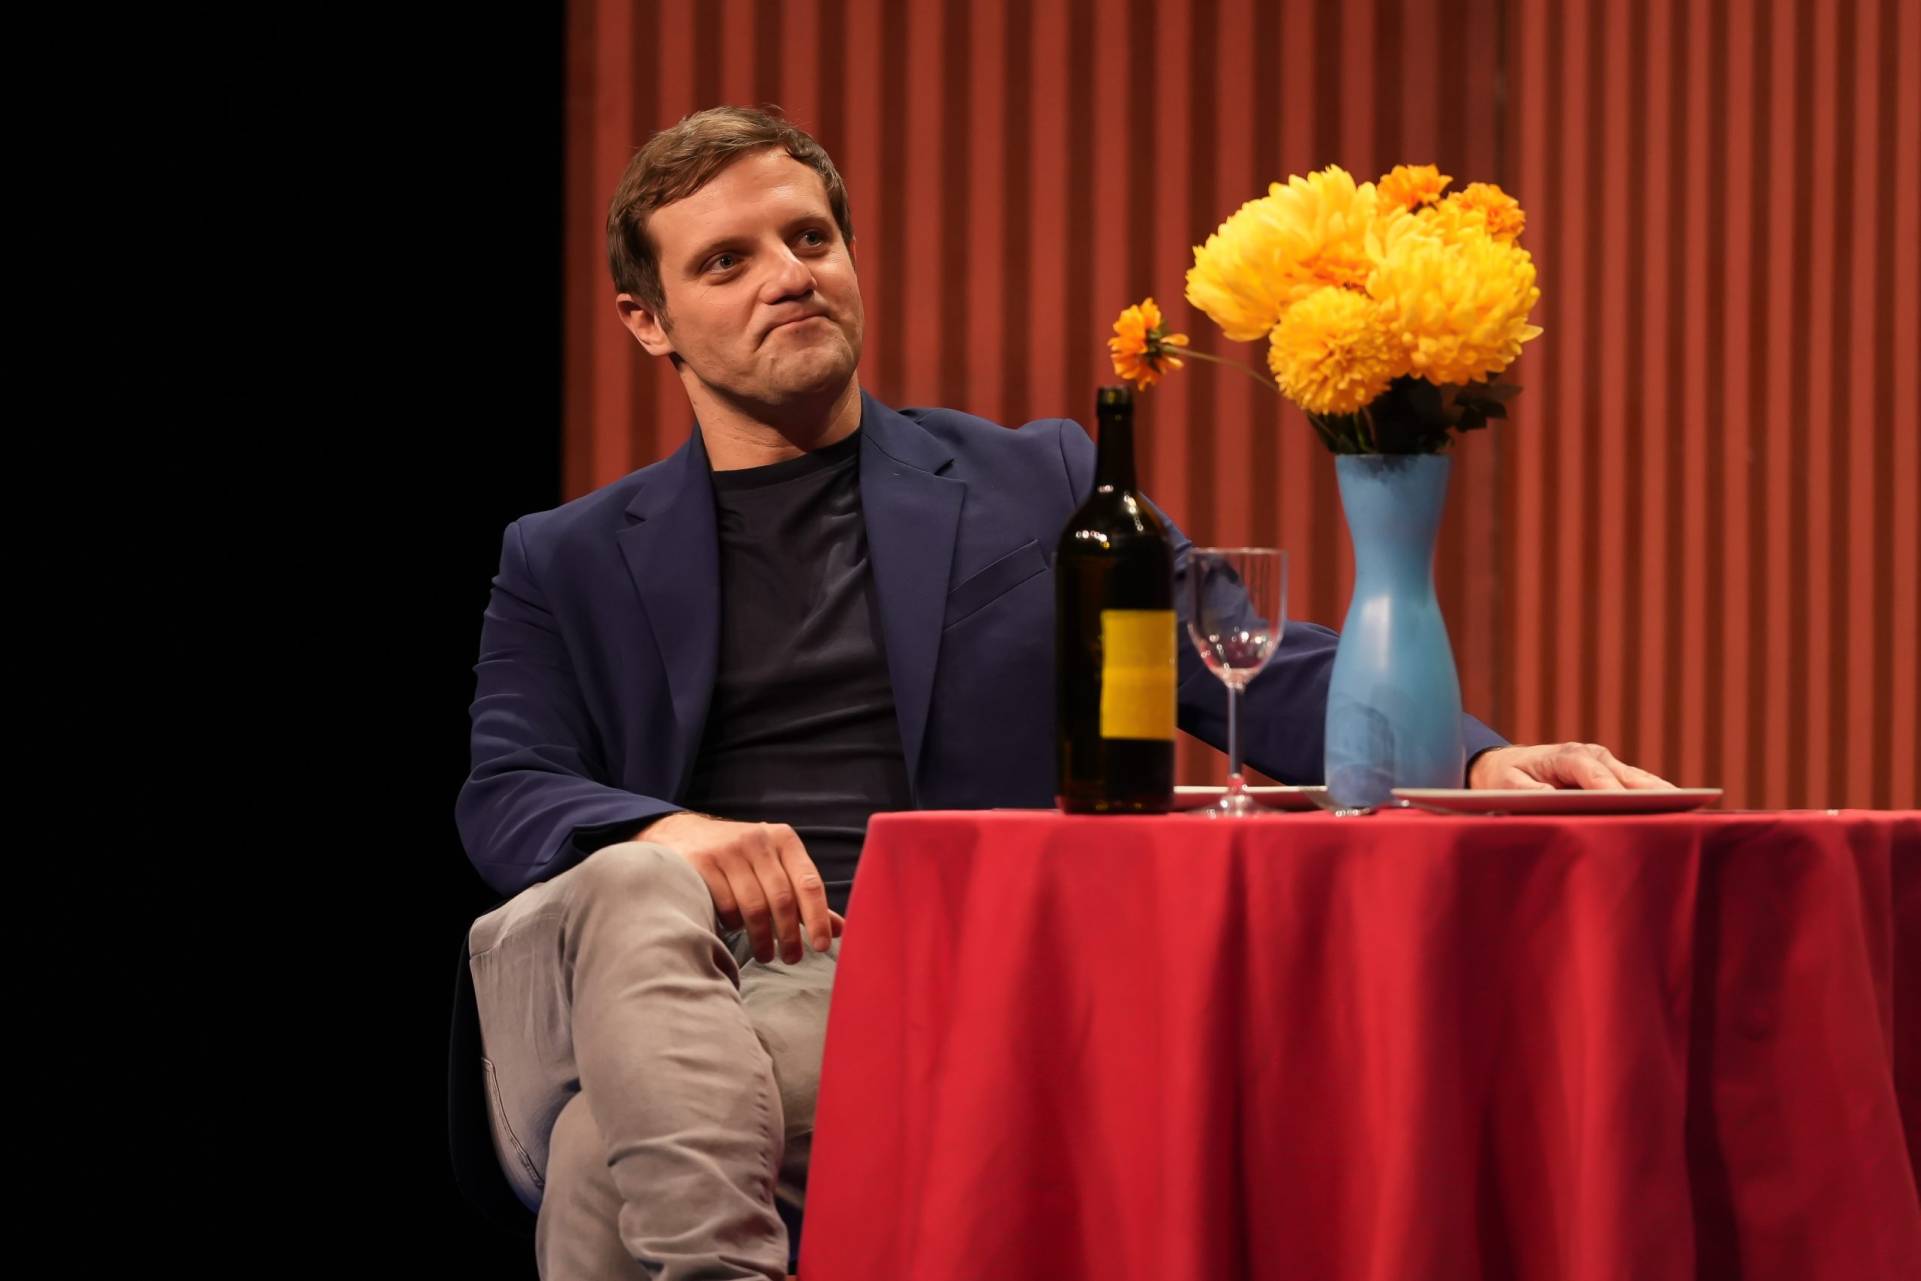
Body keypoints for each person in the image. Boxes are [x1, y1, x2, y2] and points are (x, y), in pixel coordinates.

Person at [456, 106, 1674, 1280]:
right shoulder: (566, 559)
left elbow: (1236, 652)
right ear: (647, 320)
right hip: (679, 969)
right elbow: (507, 793)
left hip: (923, 962)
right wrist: (672, 834)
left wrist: (1467, 758)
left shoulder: (1032, 480)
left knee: (601, 1151)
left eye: (809, 238)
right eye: (726, 262)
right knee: (629, 882)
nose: (788, 276)